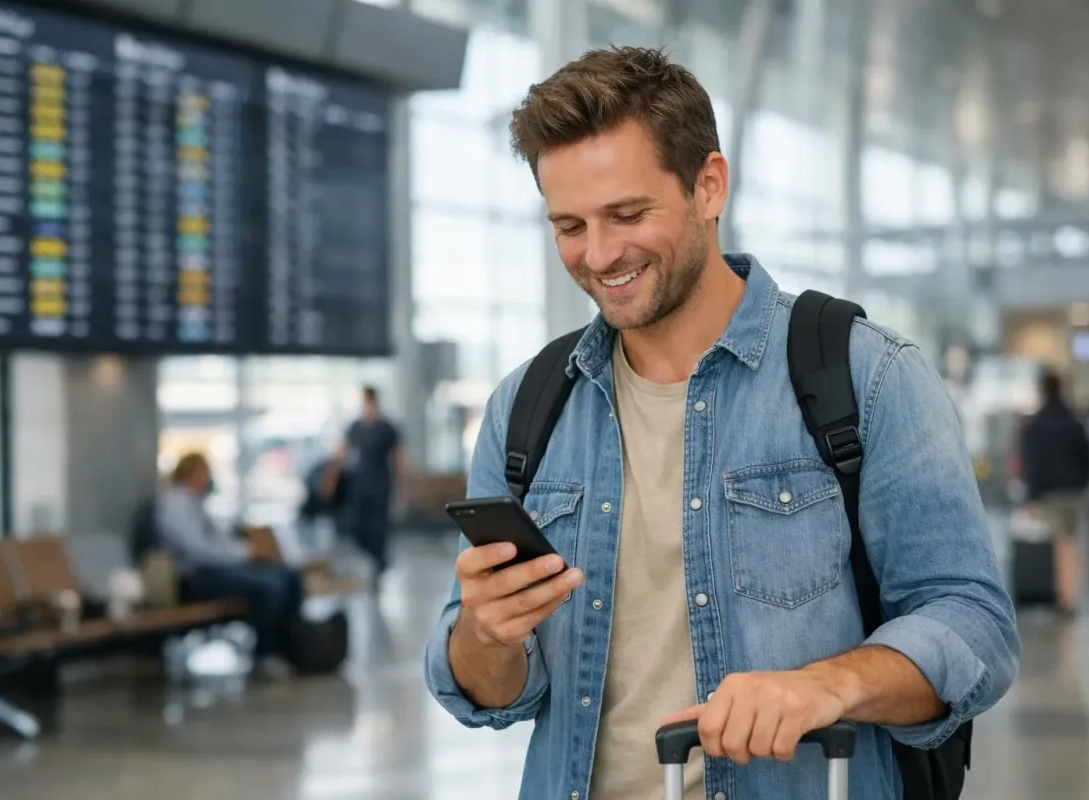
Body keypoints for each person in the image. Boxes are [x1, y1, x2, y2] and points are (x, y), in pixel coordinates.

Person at [422, 46, 1020, 800]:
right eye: (569, 225)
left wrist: (829, 686)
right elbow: (489, 692)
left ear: (710, 185)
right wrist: (486, 634)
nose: (600, 254)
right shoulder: (528, 407)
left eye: (628, 214)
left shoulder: (865, 377)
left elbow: (974, 626)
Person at [155, 451, 303, 680]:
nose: (210, 477)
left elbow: (219, 539)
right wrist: (244, 553)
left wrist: (247, 551)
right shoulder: (176, 503)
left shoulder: (195, 501)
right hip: (195, 577)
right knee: (270, 586)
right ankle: (264, 654)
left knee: (290, 577)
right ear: (192, 473)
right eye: (206, 472)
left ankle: (289, 649)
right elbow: (199, 550)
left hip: (218, 568)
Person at [1019, 370, 1089, 614]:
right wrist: (1084, 484)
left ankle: (1063, 595)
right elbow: (1087, 456)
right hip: (1075, 491)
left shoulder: (1037, 424)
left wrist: (1031, 496)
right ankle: (1070, 593)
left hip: (1051, 492)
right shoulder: (1074, 421)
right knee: (1072, 543)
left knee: (1058, 543)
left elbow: (1033, 462)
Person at [337, 387, 404, 583]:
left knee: (378, 527)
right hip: (360, 484)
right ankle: (372, 558)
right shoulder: (355, 427)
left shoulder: (386, 428)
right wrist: (330, 479)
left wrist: (403, 487)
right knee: (356, 525)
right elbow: (343, 453)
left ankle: (379, 562)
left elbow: (398, 458)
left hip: (380, 484)